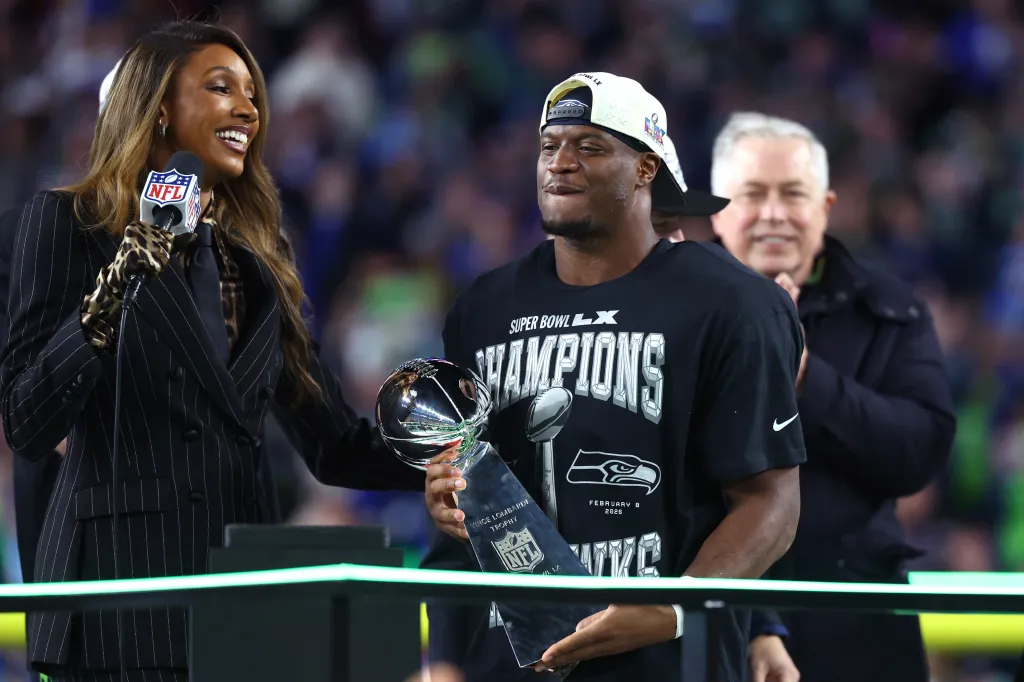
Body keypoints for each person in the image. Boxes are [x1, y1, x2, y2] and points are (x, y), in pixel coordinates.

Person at [0, 21, 423, 682]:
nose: (247, 109)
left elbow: (334, 444)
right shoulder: (64, 226)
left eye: (252, 93)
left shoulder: (258, 259)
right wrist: (119, 283)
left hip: (240, 602)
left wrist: (454, 459)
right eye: (221, 88)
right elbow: (29, 422)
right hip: (122, 604)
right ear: (156, 111)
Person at [420, 72, 807, 682]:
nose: (560, 162)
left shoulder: (734, 303)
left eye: (590, 146)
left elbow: (771, 502)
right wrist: (444, 655)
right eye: (549, 147)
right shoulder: (481, 308)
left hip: (670, 666)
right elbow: (467, 506)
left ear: (646, 168)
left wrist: (673, 608)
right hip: (509, 663)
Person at [704, 112, 955, 682]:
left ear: (825, 207)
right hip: (716, 621)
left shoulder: (890, 308)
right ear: (717, 211)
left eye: (793, 194)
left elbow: (920, 452)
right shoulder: (667, 309)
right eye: (753, 194)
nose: (773, 213)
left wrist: (806, 379)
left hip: (857, 622)